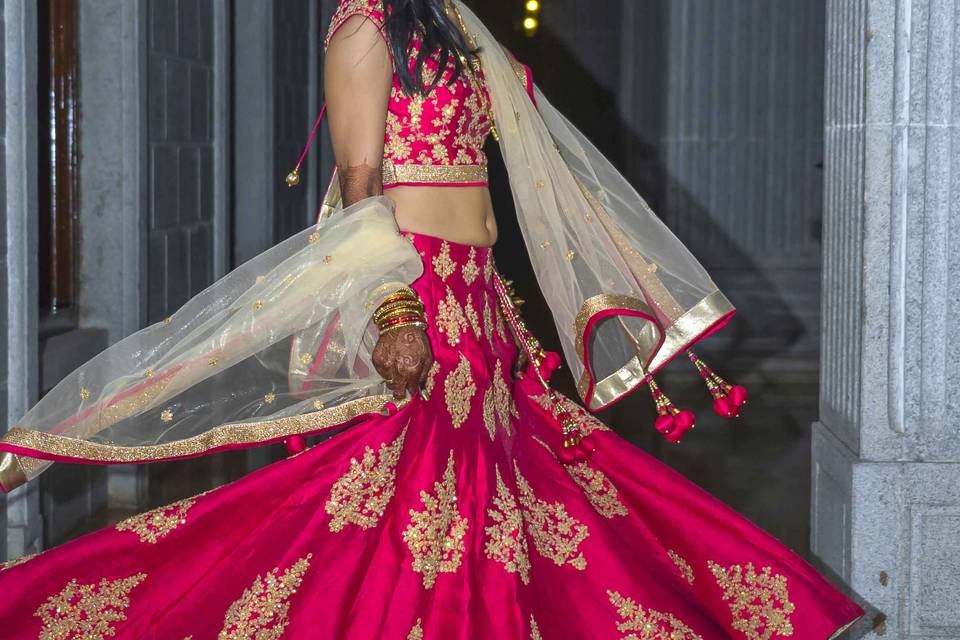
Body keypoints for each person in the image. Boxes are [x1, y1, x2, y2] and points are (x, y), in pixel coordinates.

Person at [0, 1, 863, 637]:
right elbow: (359, 184)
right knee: (410, 503)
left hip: (480, 302)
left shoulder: (449, 21)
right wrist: (393, 312)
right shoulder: (365, 26)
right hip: (418, 296)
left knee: (509, 501)